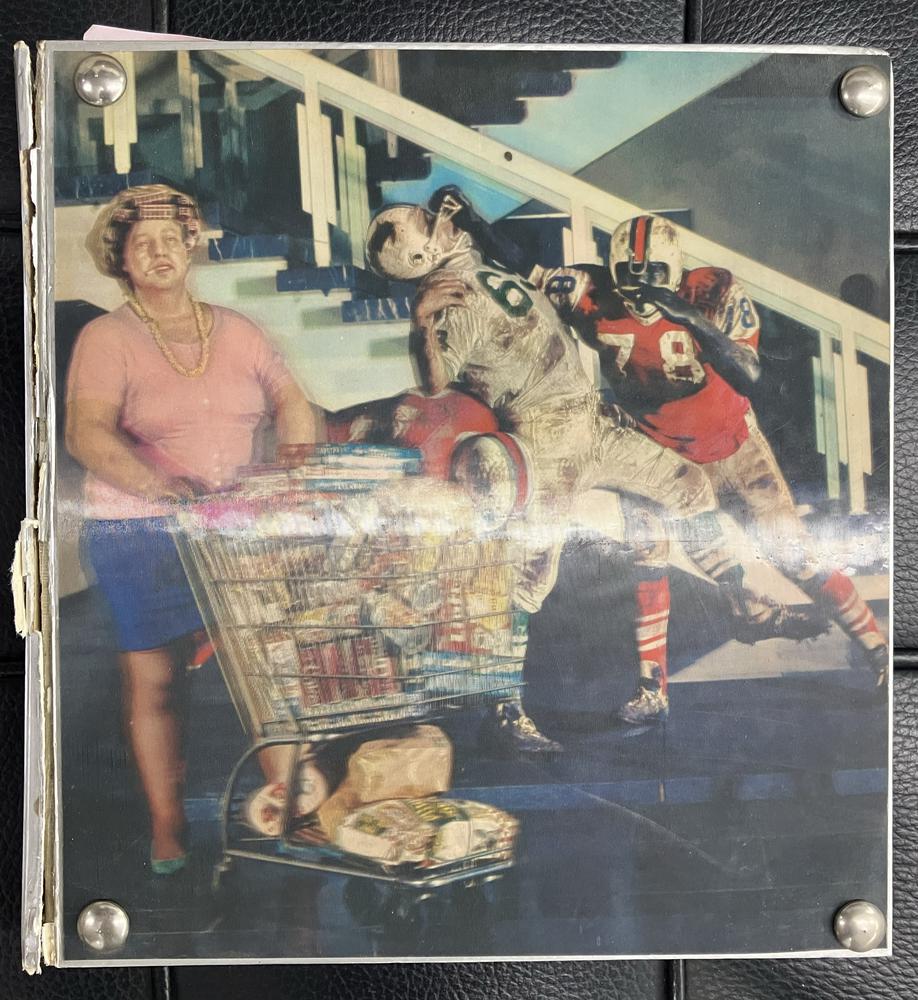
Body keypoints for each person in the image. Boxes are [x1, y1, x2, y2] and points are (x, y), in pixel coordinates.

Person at [365, 191, 816, 747]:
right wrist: (422, 320)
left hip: (590, 415)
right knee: (535, 571)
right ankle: (505, 707)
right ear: (419, 259)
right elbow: (435, 382)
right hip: (545, 433)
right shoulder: (447, 300)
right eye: (429, 224)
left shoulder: (470, 262)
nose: (441, 223)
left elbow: (514, 262)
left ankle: (741, 599)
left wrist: (475, 222)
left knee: (689, 486)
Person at [66, 184, 322, 873]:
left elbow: (292, 401)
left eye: (169, 238)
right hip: (139, 532)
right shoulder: (106, 338)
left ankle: (294, 812)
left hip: (232, 528)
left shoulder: (238, 330)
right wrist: (161, 487)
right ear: (120, 258)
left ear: (190, 246)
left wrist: (293, 469)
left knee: (265, 668)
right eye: (140, 242)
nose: (158, 252)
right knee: (158, 681)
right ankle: (168, 827)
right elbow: (86, 433)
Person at [532, 213, 888, 686]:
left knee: (794, 555)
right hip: (660, 455)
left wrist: (689, 317)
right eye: (629, 275)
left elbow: (750, 374)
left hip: (733, 446)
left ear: (675, 270)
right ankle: (653, 688)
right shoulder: (588, 293)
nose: (641, 287)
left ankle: (877, 648)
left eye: (654, 274)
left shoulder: (711, 292)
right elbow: (523, 275)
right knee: (650, 556)